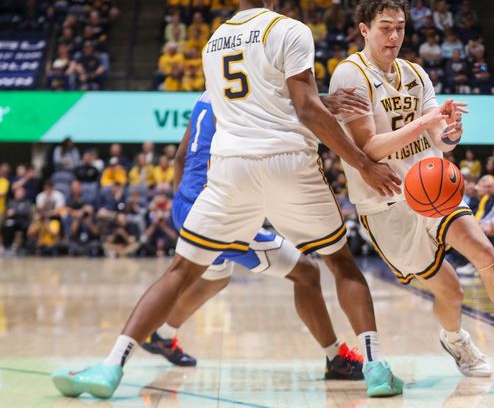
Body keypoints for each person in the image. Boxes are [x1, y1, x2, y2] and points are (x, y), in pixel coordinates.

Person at [52, 0, 404, 399]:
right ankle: (374, 366)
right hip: (287, 163)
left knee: (181, 270)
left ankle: (110, 367)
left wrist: (317, 105)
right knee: (340, 264)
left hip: (231, 168)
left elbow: (260, 105)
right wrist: (363, 163)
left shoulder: (213, 42)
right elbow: (303, 108)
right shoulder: (290, 29)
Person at [329, 0, 494, 382]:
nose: (394, 37)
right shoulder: (350, 74)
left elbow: (440, 140)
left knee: (486, 252)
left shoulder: (416, 74)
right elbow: (369, 147)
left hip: (430, 187)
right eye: (385, 28)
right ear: (364, 30)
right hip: (385, 204)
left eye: (400, 28)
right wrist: (424, 123)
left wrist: (451, 132)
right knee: (451, 292)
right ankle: (454, 339)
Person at [135, 91, 370, 378]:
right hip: (215, 210)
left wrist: (184, 209)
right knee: (306, 272)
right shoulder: (241, 101)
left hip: (186, 203)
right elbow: (292, 108)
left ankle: (162, 335)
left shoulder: (204, 98)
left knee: (216, 278)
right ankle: (336, 359)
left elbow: (180, 158)